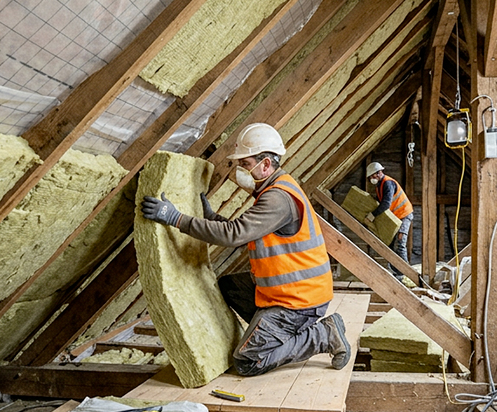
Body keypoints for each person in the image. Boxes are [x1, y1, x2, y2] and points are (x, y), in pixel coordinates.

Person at [140, 123, 351, 377]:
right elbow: (244, 234)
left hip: (298, 301)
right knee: (229, 287)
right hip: (288, 292)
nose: (241, 170)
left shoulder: (277, 199)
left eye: (246, 163)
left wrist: (176, 219)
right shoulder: (274, 190)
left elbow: (233, 235)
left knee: (247, 361)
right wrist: (211, 217)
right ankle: (273, 332)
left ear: (265, 165)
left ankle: (323, 335)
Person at [365, 162, 413, 274]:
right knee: (390, 243)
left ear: (378, 173)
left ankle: (407, 274)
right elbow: (380, 203)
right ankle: (397, 271)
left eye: (372, 176)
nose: (371, 179)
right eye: (370, 177)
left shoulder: (388, 183)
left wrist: (373, 215)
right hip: (396, 217)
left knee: (400, 243)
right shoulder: (379, 187)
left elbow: (386, 204)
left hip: (404, 214)